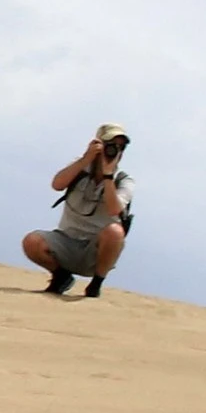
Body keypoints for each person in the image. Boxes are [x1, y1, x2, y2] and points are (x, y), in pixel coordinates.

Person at [26, 125, 132, 298]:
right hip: (67, 243)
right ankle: (61, 277)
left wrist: (107, 176)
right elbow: (57, 184)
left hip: (96, 252)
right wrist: (86, 159)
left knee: (115, 232)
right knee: (32, 241)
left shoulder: (124, 180)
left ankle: (95, 285)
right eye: (110, 144)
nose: (115, 150)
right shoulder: (80, 169)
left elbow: (114, 208)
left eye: (121, 147)